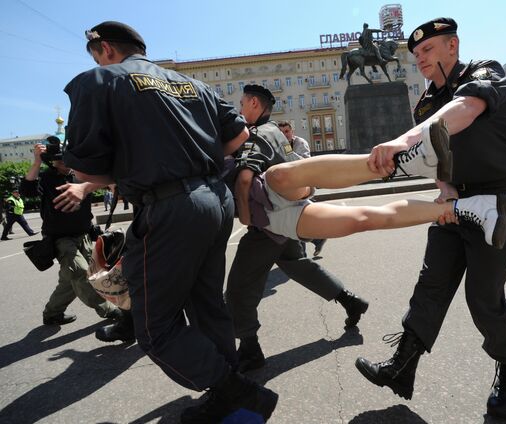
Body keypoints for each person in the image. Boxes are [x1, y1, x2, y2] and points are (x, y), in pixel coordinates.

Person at [62, 21, 277, 423]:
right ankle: (228, 398)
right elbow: (238, 137)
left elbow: (85, 165)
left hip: (168, 207)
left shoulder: (99, 81)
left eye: (94, 53)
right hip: (215, 199)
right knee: (207, 305)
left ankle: (238, 394)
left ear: (105, 49)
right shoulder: (193, 85)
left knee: (154, 326)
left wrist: (120, 174)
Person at [354, 18, 506, 420]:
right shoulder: (425, 102)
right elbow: (437, 160)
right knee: (430, 284)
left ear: (453, 45)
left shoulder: (485, 73)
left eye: (428, 50)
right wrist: (445, 191)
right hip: (454, 202)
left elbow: (465, 111)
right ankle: (403, 367)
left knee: (484, 299)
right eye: (415, 55)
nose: (419, 59)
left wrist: (401, 141)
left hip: (498, 199)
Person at [225, 86, 370, 376]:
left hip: (267, 223)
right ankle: (350, 300)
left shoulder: (258, 134)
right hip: (288, 219)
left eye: (242, 103)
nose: (240, 109)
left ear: (255, 103)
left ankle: (250, 350)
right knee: (299, 265)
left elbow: (244, 180)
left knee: (239, 289)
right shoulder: (278, 132)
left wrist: (244, 217)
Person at [19, 138, 122, 325]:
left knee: (69, 280)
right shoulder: (46, 178)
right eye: (60, 159)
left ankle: (52, 313)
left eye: (68, 158)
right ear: (52, 161)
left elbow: (109, 182)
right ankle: (110, 311)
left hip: (84, 235)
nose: (65, 162)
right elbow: (26, 190)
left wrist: (113, 184)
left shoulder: (81, 176)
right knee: (81, 273)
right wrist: (36, 162)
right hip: (60, 239)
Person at [278, 120, 326, 257]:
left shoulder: (300, 143)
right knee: (295, 220)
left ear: (292, 131)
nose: (284, 134)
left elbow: (304, 163)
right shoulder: (278, 145)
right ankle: (317, 239)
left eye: (286, 131)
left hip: (302, 187)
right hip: (287, 188)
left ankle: (302, 255)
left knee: (297, 218)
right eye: (281, 132)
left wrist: (286, 149)